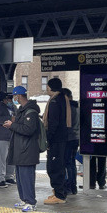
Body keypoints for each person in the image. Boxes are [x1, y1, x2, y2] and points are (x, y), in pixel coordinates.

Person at [5, 86, 41, 211]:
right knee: (20, 177)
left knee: (27, 177)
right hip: (21, 149)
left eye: (14, 96)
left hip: (27, 150)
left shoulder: (31, 111)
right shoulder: (22, 110)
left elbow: (28, 130)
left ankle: (31, 202)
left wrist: (12, 125)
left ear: (18, 96)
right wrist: (13, 124)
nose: (13, 99)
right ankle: (24, 199)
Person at [43, 77, 71, 205]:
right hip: (63, 138)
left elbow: (53, 122)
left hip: (56, 139)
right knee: (60, 166)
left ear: (50, 87)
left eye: (47, 86)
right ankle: (59, 192)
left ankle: (59, 195)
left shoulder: (54, 102)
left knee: (54, 167)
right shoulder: (63, 99)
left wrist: (48, 138)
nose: (46, 89)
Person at [0, 91, 16, 189]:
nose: (10, 100)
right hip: (0, 137)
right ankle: (0, 178)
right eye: (8, 98)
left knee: (10, 158)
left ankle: (9, 176)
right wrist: (10, 118)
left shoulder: (13, 108)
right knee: (0, 158)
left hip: (11, 136)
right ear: (3, 99)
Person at [62, 88, 79, 195]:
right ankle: (73, 187)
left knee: (67, 163)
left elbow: (66, 125)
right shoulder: (77, 107)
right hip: (76, 138)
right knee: (72, 163)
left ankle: (68, 187)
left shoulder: (69, 108)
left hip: (68, 138)